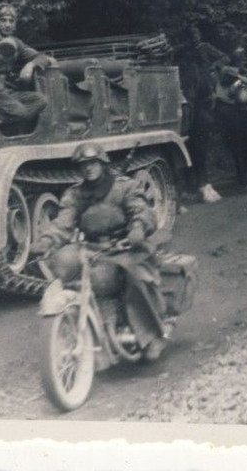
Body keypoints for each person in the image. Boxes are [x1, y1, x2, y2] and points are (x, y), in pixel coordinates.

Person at [31, 142, 167, 360]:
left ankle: (151, 336)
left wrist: (138, 229)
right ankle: (75, 323)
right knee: (62, 265)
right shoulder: (74, 195)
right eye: (83, 164)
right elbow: (63, 223)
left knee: (137, 276)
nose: (88, 168)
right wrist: (47, 241)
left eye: (93, 163)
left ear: (103, 163)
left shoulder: (124, 186)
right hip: (92, 247)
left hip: (125, 245)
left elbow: (141, 211)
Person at [177, 25, 228, 203]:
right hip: (192, 87)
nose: (194, 38)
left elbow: (224, 57)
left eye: (196, 34)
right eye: (191, 35)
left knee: (224, 98)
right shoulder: (184, 52)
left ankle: (222, 127)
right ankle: (195, 183)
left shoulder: (206, 48)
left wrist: (214, 66)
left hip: (208, 80)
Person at [0, 3, 53, 133]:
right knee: (20, 112)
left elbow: (41, 57)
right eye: (3, 20)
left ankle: (3, 118)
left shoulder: (15, 42)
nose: (8, 24)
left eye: (11, 21)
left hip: (8, 90)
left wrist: (30, 65)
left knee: (42, 100)